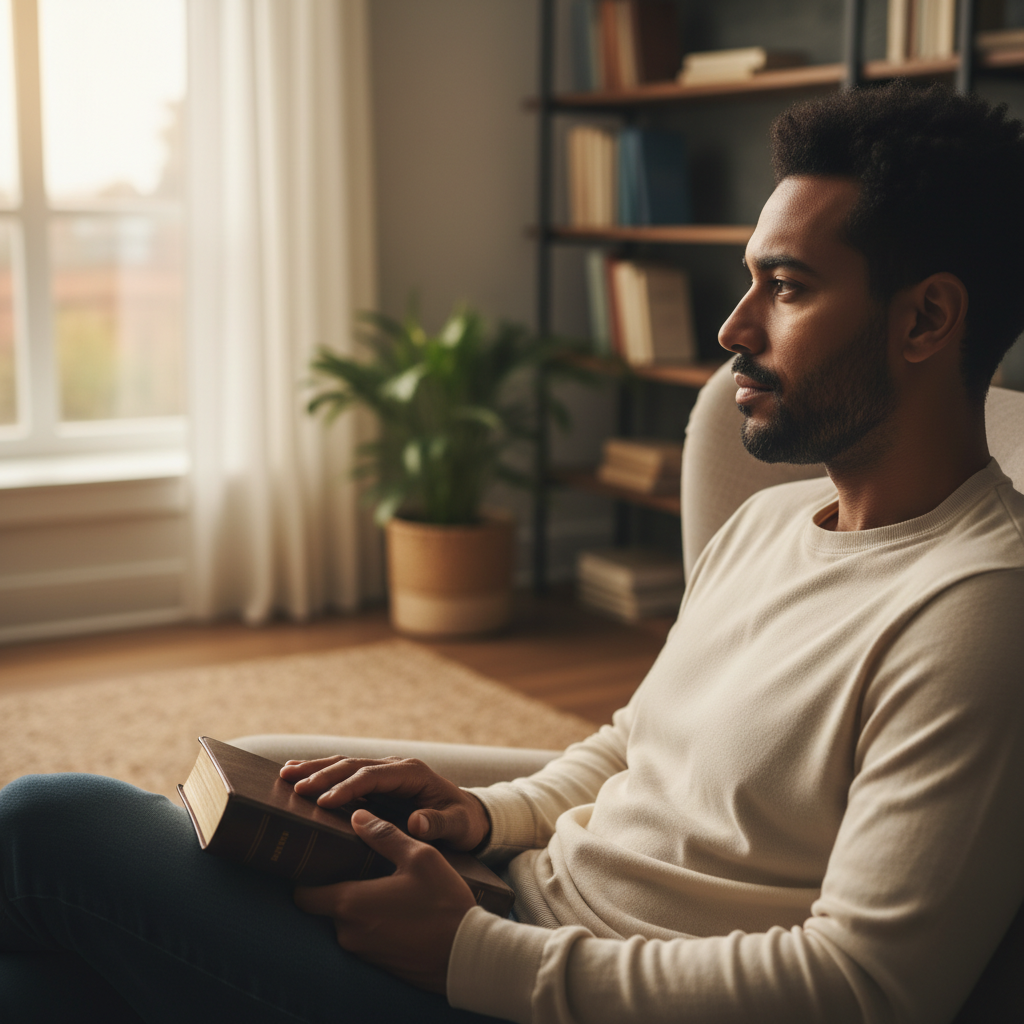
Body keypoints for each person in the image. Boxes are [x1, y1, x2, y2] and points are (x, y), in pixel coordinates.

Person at [2, 79, 1023, 1024]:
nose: (731, 325)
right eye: (746, 279)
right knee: (44, 975)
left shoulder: (979, 611)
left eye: (786, 287)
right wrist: (480, 818)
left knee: (50, 822)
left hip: (521, 989)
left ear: (926, 318)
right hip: (495, 917)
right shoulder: (770, 522)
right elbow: (638, 743)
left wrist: (469, 954)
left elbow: (867, 987)